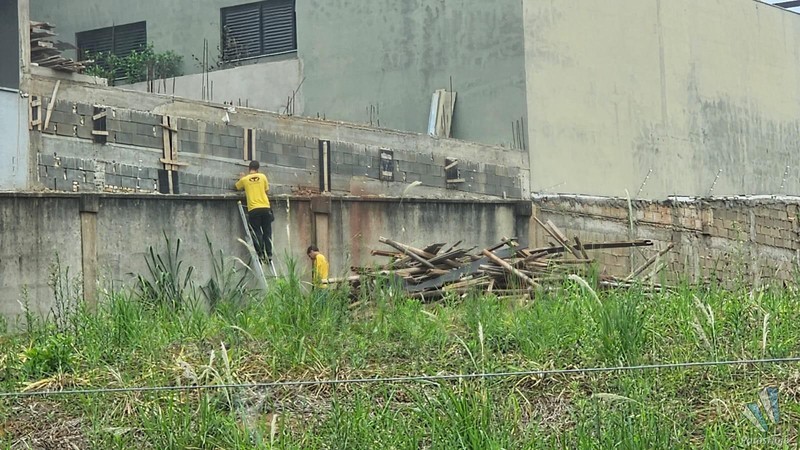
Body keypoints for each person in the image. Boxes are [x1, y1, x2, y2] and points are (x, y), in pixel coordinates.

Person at [235, 160, 273, 261]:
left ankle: (260, 254)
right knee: (267, 232)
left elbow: (237, 187)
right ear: (258, 169)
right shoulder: (263, 177)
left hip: (254, 209)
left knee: (257, 232)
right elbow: (267, 190)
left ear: (249, 168)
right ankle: (269, 254)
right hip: (265, 207)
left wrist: (241, 178)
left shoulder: (245, 179)